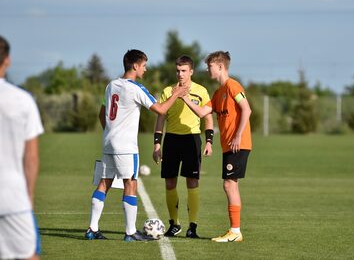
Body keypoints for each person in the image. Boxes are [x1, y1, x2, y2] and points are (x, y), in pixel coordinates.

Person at [85, 49, 188, 241]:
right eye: (144, 65)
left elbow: (102, 113)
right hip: (126, 146)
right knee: (131, 183)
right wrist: (176, 94)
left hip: (108, 142)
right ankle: (130, 232)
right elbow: (161, 110)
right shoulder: (136, 88)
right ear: (135, 66)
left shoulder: (111, 85)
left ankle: (92, 228)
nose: (146, 69)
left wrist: (110, 131)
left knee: (104, 182)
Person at [181, 51, 252, 242]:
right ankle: (234, 231)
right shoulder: (218, 92)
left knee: (229, 184)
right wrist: (184, 98)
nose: (207, 69)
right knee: (229, 185)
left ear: (220, 66)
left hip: (238, 144)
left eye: (209, 65)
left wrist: (238, 135)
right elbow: (203, 111)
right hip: (229, 146)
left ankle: (235, 231)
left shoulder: (232, 85)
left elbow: (247, 109)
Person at [152, 55, 213, 238]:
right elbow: (160, 118)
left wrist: (209, 141)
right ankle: (175, 224)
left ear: (191, 72)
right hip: (171, 140)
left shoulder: (201, 91)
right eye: (178, 70)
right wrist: (157, 145)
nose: (180, 74)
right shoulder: (167, 91)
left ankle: (192, 227)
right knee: (170, 182)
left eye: (184, 70)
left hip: (192, 140)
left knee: (192, 182)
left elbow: (208, 117)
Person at [0, 35, 44, 259]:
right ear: (7, 60)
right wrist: (28, 196)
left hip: (12, 196)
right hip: (11, 195)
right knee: (28, 255)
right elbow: (31, 157)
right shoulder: (22, 100)